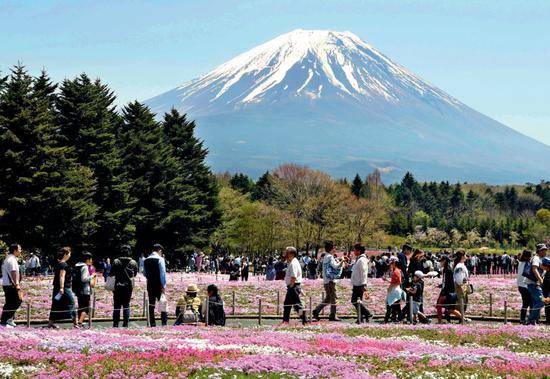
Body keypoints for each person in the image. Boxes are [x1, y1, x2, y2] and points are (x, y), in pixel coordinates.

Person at [312, 241, 344, 321]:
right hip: (330, 281)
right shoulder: (330, 257)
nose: (335, 249)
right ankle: (332, 315)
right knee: (333, 298)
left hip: (326, 280)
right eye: (334, 248)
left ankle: (316, 310)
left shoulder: (326, 256)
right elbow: (335, 266)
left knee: (328, 298)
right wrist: (342, 261)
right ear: (331, 248)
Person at [47, 247, 78, 329]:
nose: (70, 255)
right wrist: (62, 288)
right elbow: (62, 276)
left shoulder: (59, 263)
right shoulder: (63, 264)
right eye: (69, 254)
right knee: (71, 303)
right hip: (64, 288)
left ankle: (50, 323)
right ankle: (76, 323)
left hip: (57, 287)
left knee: (56, 304)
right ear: (66, 254)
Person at [110, 245, 138, 327]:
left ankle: (115, 323)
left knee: (117, 305)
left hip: (118, 285)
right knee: (126, 305)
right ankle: (125, 324)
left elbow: (111, 273)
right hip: (128, 286)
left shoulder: (116, 261)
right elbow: (135, 274)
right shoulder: (133, 262)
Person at [143, 244, 168, 327]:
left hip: (150, 284)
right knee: (162, 303)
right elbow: (162, 274)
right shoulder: (160, 259)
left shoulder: (146, 260)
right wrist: (163, 286)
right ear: (159, 250)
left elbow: (144, 273)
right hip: (159, 285)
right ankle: (164, 323)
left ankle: (152, 323)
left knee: (151, 304)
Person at [282, 246, 307, 324]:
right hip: (292, 286)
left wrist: (291, 286)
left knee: (297, 305)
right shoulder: (292, 262)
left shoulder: (293, 263)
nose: (285, 255)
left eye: (287, 253)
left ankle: (304, 319)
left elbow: (293, 277)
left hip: (293, 286)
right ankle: (285, 321)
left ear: (292, 254)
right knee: (287, 304)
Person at [1, 243, 23, 327]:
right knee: (16, 301)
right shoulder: (12, 259)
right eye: (19, 249)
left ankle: (7, 320)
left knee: (10, 302)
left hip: (8, 284)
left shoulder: (8, 258)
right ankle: (6, 320)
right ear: (15, 250)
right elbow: (13, 272)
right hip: (11, 285)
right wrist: (17, 284)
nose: (20, 251)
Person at [525, 244, 548, 325]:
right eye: (543, 250)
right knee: (541, 301)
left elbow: (542, 269)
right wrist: (540, 280)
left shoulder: (540, 259)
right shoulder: (536, 258)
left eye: (546, 250)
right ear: (539, 251)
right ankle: (530, 319)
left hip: (534, 284)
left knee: (536, 302)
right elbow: (534, 269)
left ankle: (533, 321)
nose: (545, 251)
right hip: (533, 284)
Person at [350, 243, 372, 323]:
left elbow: (363, 272)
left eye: (355, 250)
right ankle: (360, 318)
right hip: (357, 283)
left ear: (359, 251)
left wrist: (363, 284)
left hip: (359, 284)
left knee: (355, 301)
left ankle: (367, 313)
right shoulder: (359, 259)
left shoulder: (361, 260)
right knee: (357, 301)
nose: (354, 251)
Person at [435, 255, 461, 323]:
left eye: (441, 261)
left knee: (449, 309)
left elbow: (450, 283)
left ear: (445, 261)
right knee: (441, 306)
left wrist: (445, 292)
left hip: (447, 292)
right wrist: (441, 285)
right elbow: (445, 282)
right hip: (445, 291)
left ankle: (463, 318)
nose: (440, 263)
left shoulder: (448, 270)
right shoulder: (445, 270)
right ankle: (440, 321)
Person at [73, 252, 96, 327]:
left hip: (78, 289)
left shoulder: (77, 265)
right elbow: (84, 279)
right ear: (87, 259)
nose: (91, 261)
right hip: (85, 290)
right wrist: (92, 276)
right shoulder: (85, 267)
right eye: (90, 259)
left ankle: (80, 322)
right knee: (86, 308)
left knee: (81, 306)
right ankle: (79, 323)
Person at [384, 256, 403, 323]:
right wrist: (387, 281)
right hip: (395, 290)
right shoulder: (396, 271)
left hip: (394, 290)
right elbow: (395, 282)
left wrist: (390, 288)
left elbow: (398, 282)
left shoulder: (396, 272)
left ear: (394, 263)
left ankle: (386, 319)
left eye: (391, 263)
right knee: (396, 306)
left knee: (390, 305)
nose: (390, 265)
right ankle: (397, 318)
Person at [453, 250, 470, 323]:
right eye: (465, 255)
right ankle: (462, 319)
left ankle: (462, 318)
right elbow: (459, 279)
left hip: (463, 286)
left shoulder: (461, 265)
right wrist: (464, 282)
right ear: (462, 256)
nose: (466, 257)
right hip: (461, 287)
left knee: (463, 303)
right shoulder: (459, 266)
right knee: (462, 303)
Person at [517, 249, 532, 324]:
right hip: (525, 285)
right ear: (527, 257)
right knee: (531, 303)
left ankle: (522, 319)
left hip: (520, 286)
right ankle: (530, 319)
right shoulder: (527, 263)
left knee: (525, 303)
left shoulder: (520, 262)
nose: (531, 257)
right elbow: (528, 274)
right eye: (530, 256)